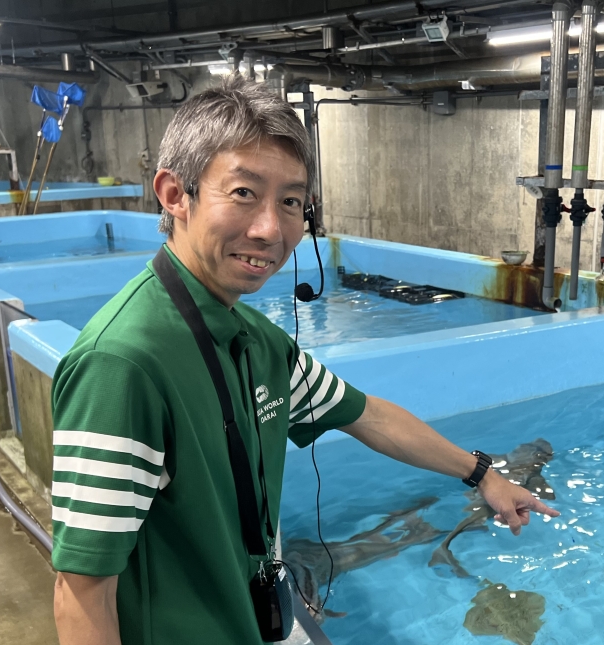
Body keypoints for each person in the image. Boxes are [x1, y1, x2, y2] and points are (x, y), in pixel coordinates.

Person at [51, 76, 559, 645]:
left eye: (291, 202)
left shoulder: (256, 341)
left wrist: (485, 475)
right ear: (175, 195)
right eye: (244, 193)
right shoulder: (123, 364)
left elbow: (369, 417)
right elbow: (81, 589)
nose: (270, 229)